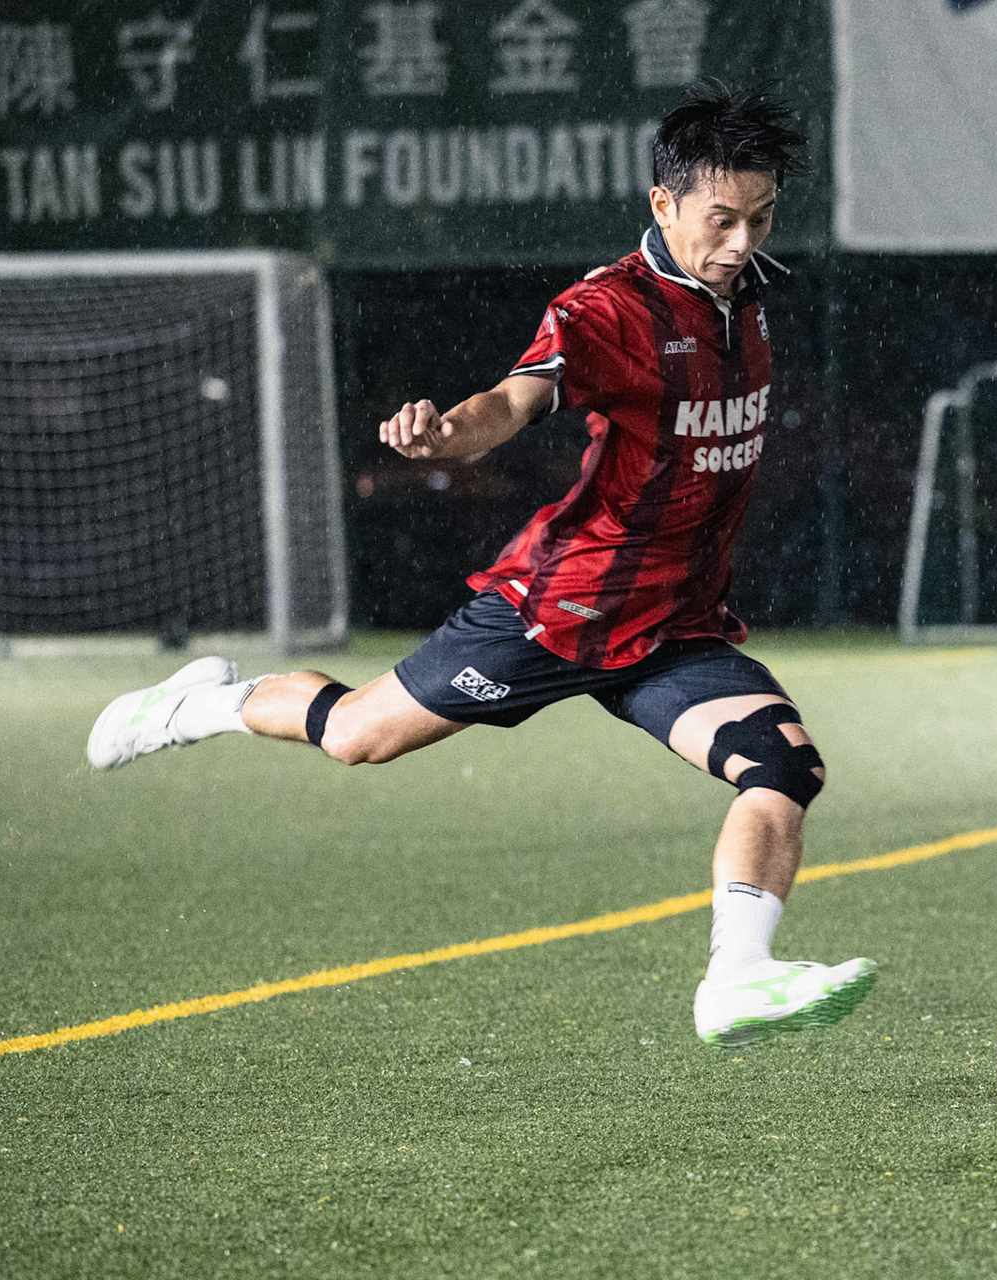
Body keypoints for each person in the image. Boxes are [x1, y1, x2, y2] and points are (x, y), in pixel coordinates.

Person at [86, 83, 875, 1048]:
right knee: (357, 736)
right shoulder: (607, 308)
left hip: (672, 630)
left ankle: (736, 980)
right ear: (663, 205)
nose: (743, 241)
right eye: (722, 220)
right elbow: (513, 401)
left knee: (783, 767)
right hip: (559, 610)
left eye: (760, 218)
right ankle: (197, 705)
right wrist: (445, 433)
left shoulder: (743, 300)